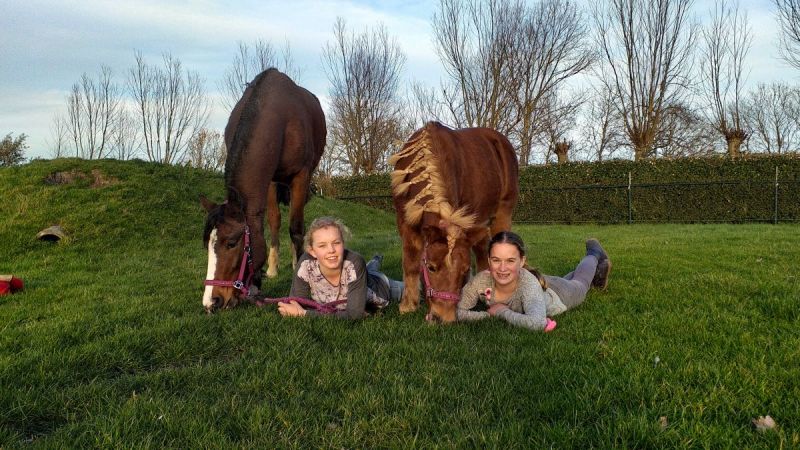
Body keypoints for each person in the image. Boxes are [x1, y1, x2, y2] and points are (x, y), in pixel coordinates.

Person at [458, 231, 611, 331]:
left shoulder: (527, 284)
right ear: (488, 261)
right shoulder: (480, 281)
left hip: (559, 295)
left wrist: (502, 311)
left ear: (522, 261)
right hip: (540, 284)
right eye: (496, 260)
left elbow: (537, 322)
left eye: (510, 260)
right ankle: (600, 270)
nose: (502, 268)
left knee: (581, 283)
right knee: (572, 279)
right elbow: (457, 311)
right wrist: (486, 315)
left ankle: (594, 254)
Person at [277, 216, 404, 320]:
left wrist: (304, 314)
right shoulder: (305, 264)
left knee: (411, 289)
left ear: (343, 244)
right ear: (312, 251)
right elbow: (297, 303)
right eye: (322, 246)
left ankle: (375, 262)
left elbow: (354, 315)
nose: (331, 250)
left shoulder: (354, 262)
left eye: (336, 243)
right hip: (357, 276)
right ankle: (375, 260)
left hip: (380, 287)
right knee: (368, 269)